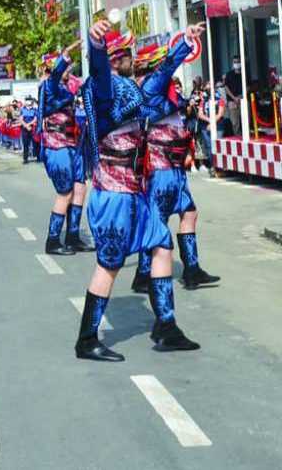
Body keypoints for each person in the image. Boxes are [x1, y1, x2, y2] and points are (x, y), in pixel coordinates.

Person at [74, 20, 201, 362]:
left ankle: (166, 326)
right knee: (109, 265)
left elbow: (159, 78)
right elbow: (99, 70)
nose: (134, 57)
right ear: (119, 57)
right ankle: (87, 339)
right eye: (128, 52)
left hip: (134, 193)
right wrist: (96, 46)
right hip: (114, 194)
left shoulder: (128, 88)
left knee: (161, 245)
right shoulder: (104, 88)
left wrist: (183, 46)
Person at [129, 43, 220, 294]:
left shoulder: (162, 88)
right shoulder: (150, 85)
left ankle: (191, 270)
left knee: (189, 213)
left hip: (174, 166)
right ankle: (144, 274)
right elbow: (168, 69)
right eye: (163, 64)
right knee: (157, 220)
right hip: (160, 166)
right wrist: (186, 44)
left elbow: (180, 105)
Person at [38, 42, 93, 256]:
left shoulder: (65, 86)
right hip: (57, 145)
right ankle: (52, 240)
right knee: (65, 192)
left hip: (73, 144)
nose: (69, 71)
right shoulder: (49, 86)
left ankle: (72, 236)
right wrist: (65, 57)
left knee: (80, 187)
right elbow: (55, 75)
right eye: (66, 68)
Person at [224, 55, 243, 136]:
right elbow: (226, 88)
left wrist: (240, 96)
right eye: (235, 62)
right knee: (235, 122)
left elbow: (249, 86)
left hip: (242, 100)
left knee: (245, 120)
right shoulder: (229, 74)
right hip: (232, 101)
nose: (236, 64)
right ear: (232, 63)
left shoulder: (244, 74)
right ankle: (238, 138)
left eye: (238, 62)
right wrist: (234, 98)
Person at [19, 97, 37, 163]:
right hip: (25, 128)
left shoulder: (34, 109)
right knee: (25, 144)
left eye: (29, 100)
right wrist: (26, 126)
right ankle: (25, 159)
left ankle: (37, 156)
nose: (28, 102)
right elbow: (21, 119)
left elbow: (35, 118)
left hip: (32, 128)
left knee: (35, 143)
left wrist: (29, 124)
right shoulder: (22, 109)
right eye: (27, 100)